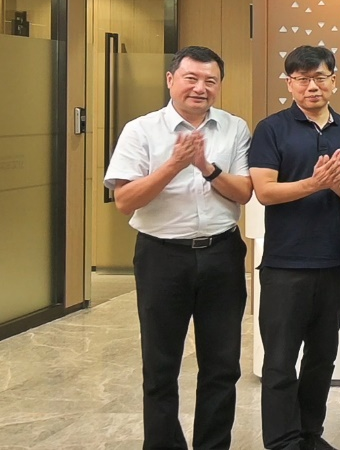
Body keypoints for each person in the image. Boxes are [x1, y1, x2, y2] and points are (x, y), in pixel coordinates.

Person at [104, 45, 253, 450]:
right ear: (171, 79)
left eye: (210, 81)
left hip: (222, 254)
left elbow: (243, 192)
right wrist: (175, 163)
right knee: (160, 366)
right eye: (191, 78)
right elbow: (125, 200)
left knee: (222, 365)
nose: (200, 88)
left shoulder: (234, 128)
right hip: (162, 256)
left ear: (219, 86)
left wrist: (206, 167)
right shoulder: (141, 130)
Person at [249, 46, 340, 450]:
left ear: (334, 80)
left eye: (320, 78)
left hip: (334, 262)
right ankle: (282, 442)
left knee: (321, 358)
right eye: (302, 79)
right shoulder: (271, 129)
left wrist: (336, 184)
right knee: (280, 361)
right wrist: (314, 183)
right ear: (290, 84)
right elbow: (264, 192)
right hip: (285, 264)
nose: (312, 86)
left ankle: (310, 435)